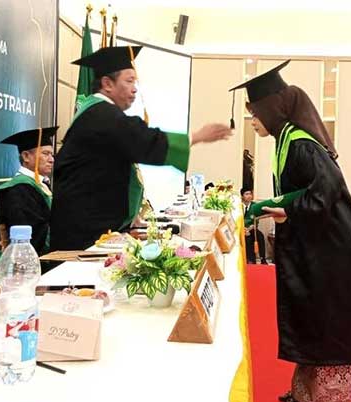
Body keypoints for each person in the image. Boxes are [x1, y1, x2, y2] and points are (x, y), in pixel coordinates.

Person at [230, 60, 351, 402]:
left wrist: (288, 210)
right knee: (311, 316)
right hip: (315, 241)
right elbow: (305, 191)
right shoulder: (285, 140)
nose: (253, 121)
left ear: (272, 109)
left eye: (256, 113)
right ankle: (304, 391)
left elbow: (328, 189)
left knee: (324, 319)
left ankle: (320, 397)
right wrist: (281, 207)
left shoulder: (301, 144)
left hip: (330, 245)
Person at [50, 46, 232, 250]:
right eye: (129, 81)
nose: (135, 89)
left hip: (85, 223)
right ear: (107, 83)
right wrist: (196, 136)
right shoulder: (102, 115)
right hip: (83, 232)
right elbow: (143, 140)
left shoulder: (96, 113)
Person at [0, 127, 57, 254]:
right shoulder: (18, 190)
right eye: (45, 154)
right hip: (31, 260)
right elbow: (35, 237)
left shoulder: (40, 185)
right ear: (26, 156)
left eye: (51, 154)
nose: (52, 159)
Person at [241, 187, 267, 264]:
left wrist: (251, 227)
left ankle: (263, 259)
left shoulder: (255, 206)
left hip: (252, 228)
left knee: (260, 235)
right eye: (246, 194)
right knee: (248, 238)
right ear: (242, 196)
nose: (249, 196)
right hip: (241, 229)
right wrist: (243, 229)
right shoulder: (238, 206)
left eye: (250, 194)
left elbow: (257, 220)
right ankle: (251, 260)